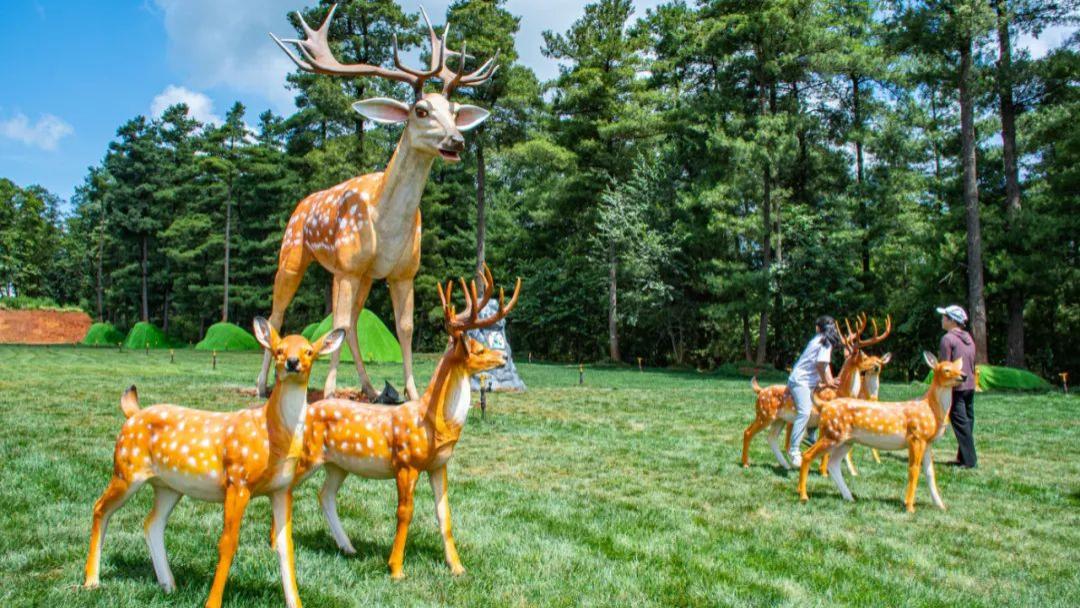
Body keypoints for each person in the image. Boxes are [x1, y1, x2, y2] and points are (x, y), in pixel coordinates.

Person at [787, 316, 842, 467]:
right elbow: (820, 365)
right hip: (801, 381)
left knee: (822, 407)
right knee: (804, 412)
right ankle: (794, 451)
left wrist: (830, 382)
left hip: (808, 381)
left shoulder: (822, 340)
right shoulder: (824, 342)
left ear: (818, 328)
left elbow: (825, 366)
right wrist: (828, 381)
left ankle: (810, 435)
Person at [937, 304, 978, 468]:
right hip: (970, 385)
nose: (942, 320)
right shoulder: (968, 338)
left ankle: (970, 461)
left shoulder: (948, 339)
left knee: (961, 424)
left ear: (951, 321)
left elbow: (945, 366)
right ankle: (963, 457)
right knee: (967, 422)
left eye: (944, 317)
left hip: (956, 387)